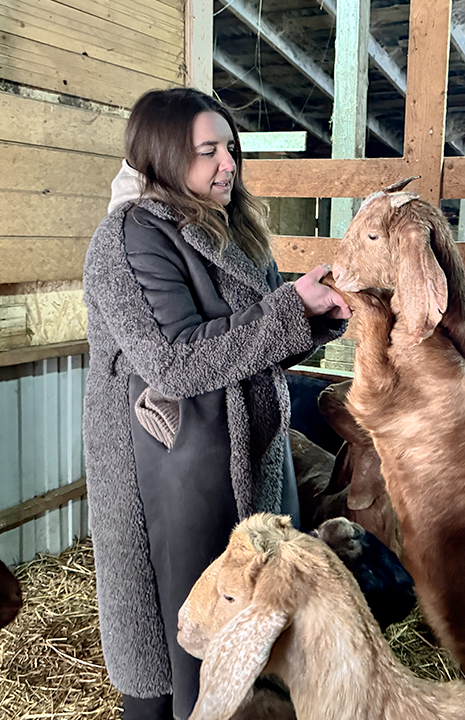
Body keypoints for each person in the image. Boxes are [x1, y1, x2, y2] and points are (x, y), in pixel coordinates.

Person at [82, 87, 351, 720]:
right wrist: (289, 310)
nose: (227, 164)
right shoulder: (128, 237)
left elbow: (252, 338)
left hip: (247, 454)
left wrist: (314, 313)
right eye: (209, 151)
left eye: (230, 148)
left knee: (261, 612)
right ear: (164, 156)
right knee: (181, 621)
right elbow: (174, 361)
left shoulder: (234, 233)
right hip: (166, 459)